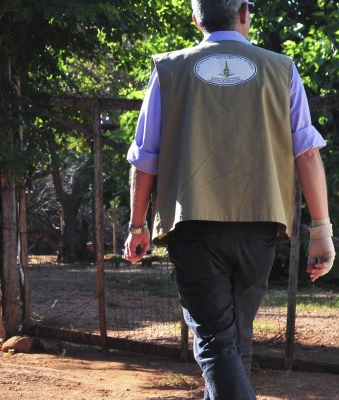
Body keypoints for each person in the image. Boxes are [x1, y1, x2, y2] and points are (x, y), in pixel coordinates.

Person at [123, 1, 334, 398]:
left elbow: (145, 157)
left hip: (193, 226)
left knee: (218, 342)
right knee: (234, 340)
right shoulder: (281, 68)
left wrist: (137, 225)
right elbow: (306, 152)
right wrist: (321, 232)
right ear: (244, 12)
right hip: (261, 227)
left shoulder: (169, 70)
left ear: (195, 18)